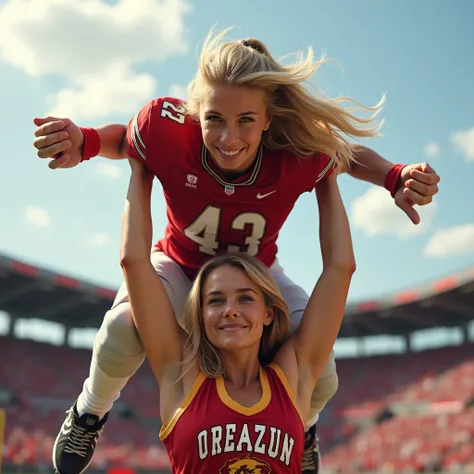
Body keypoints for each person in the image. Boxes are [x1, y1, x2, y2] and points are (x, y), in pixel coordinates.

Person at [34, 29, 440, 474]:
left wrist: (392, 176)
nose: (229, 137)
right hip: (179, 262)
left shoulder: (296, 149)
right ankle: (90, 411)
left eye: (246, 119)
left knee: (321, 369)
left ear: (270, 119)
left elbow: (344, 153)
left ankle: (302, 427)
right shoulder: (165, 128)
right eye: (214, 119)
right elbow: (129, 140)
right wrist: (87, 142)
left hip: (256, 273)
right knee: (120, 329)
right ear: (195, 113)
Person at [122, 155, 355, 473]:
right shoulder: (181, 374)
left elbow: (340, 269)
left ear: (269, 313)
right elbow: (134, 261)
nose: (230, 310)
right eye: (215, 301)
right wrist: (141, 169)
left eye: (245, 299)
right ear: (201, 316)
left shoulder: (290, 379)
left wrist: (328, 180)